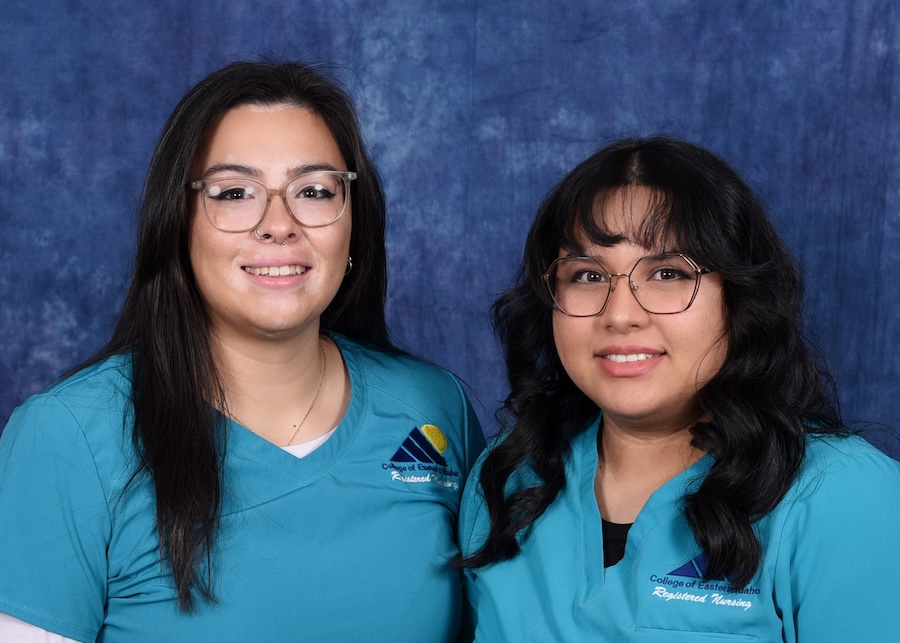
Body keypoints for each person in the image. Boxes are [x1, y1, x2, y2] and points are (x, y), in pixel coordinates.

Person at [0, 60, 484, 642]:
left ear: (353, 222)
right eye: (234, 192)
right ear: (177, 224)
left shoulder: (433, 405)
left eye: (314, 190)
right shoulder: (66, 438)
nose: (278, 225)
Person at [457, 137, 900, 641]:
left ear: (739, 297)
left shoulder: (844, 496)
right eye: (586, 275)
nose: (620, 315)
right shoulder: (508, 478)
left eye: (668, 273)